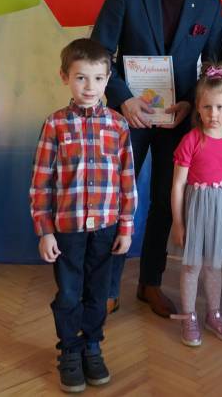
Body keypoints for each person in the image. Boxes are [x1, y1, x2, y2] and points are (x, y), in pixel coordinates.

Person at [91, 0, 222, 317]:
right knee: (118, 199)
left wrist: (193, 103)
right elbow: (100, 53)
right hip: (127, 117)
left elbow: (214, 70)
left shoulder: (211, 6)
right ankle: (107, 287)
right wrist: (123, 98)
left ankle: (149, 282)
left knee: (167, 201)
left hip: (178, 120)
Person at [29, 39, 137, 392]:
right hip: (67, 229)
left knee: (98, 293)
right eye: (80, 78)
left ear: (108, 80)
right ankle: (69, 350)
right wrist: (45, 230)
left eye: (98, 78)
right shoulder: (55, 125)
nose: (90, 87)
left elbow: (127, 180)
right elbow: (41, 181)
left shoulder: (118, 126)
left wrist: (126, 227)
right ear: (64, 77)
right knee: (69, 293)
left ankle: (92, 345)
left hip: (106, 228)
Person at [169, 64, 222, 346]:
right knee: (192, 266)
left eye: (220, 107)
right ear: (198, 109)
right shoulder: (191, 141)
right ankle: (188, 316)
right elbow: (178, 184)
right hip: (197, 212)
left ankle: (213, 314)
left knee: (214, 266)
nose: (213, 114)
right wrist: (178, 223)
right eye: (207, 107)